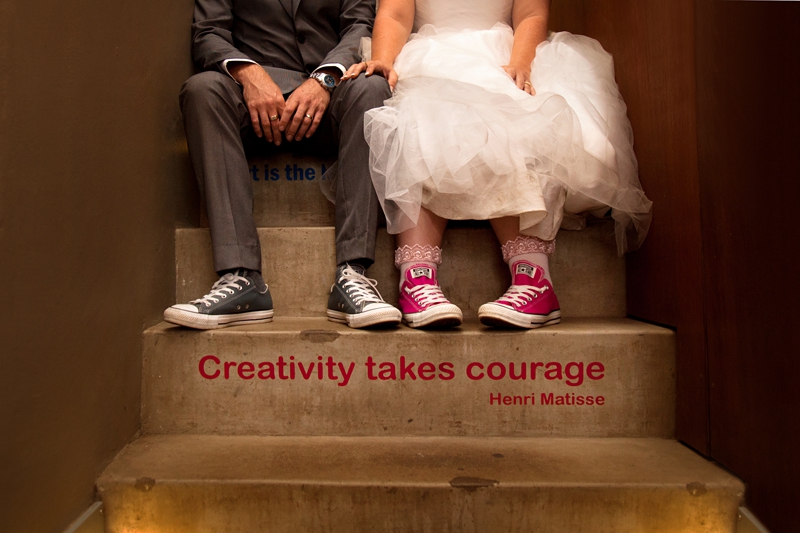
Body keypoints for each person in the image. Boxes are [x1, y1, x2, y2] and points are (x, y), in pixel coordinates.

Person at [343, 0, 652, 329]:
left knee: (507, 117)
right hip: (426, 55)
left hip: (505, 53)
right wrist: (385, 60)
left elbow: (531, 14)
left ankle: (534, 280)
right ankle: (417, 278)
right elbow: (394, 14)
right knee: (416, 120)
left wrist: (521, 63)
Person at [164, 0, 403, 330]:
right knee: (201, 90)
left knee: (372, 88)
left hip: (332, 97)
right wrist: (249, 74)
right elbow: (208, 32)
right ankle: (241, 278)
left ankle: (354, 276)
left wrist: (325, 79)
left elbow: (358, 27)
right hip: (256, 104)